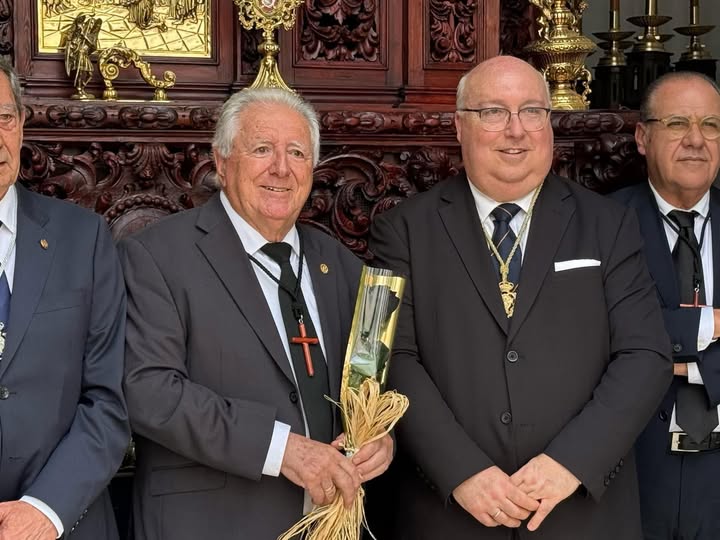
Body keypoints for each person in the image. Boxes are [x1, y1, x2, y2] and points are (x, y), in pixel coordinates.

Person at [367, 55, 672, 539]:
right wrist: (461, 470)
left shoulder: (609, 225)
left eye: (532, 111)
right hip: (449, 516)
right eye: (493, 112)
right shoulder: (399, 230)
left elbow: (646, 355)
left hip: (580, 514)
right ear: (459, 126)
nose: (516, 130)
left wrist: (569, 464)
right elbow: (385, 358)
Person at [121, 87, 393, 540]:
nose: (281, 168)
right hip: (211, 524)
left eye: (297, 153)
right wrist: (280, 448)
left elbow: (373, 383)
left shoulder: (342, 264)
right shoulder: (156, 256)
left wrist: (380, 440)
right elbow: (149, 390)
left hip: (332, 523)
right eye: (262, 149)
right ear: (222, 161)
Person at [0, 60, 129, 539]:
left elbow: (108, 400)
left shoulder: (84, 238)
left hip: (64, 520)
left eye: (4, 117)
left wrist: (44, 509)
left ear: (21, 123)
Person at [612, 71, 720, 540]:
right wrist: (711, 326)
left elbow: (635, 338)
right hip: (633, 474)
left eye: (711, 125)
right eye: (677, 123)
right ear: (642, 137)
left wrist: (661, 356)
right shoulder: (601, 223)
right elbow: (599, 333)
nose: (696, 140)